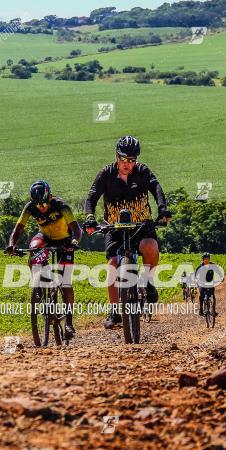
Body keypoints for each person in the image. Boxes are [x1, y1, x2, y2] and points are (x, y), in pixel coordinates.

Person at [82, 135, 172, 329]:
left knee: (150, 246)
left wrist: (162, 209)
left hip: (141, 224)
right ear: (116, 155)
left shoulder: (142, 171)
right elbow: (91, 198)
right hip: (114, 226)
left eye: (132, 160)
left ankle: (147, 281)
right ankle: (114, 311)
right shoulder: (105, 174)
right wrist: (90, 217)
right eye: (123, 159)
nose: (127, 164)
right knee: (113, 264)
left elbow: (156, 188)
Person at [6, 180, 81, 339]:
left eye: (45, 204)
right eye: (38, 205)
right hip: (45, 238)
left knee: (65, 281)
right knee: (33, 249)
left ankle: (69, 323)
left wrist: (74, 242)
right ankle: (38, 288)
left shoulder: (62, 206)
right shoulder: (30, 207)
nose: (42, 208)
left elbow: (76, 229)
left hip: (65, 241)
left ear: (50, 197)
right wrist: (11, 245)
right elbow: (18, 228)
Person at [196, 252, 217, 317]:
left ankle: (213, 310)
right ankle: (201, 309)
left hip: (210, 283)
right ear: (203, 259)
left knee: (213, 297)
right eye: (205, 259)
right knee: (201, 295)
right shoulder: (200, 266)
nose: (206, 260)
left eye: (208, 258)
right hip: (202, 283)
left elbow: (218, 272)